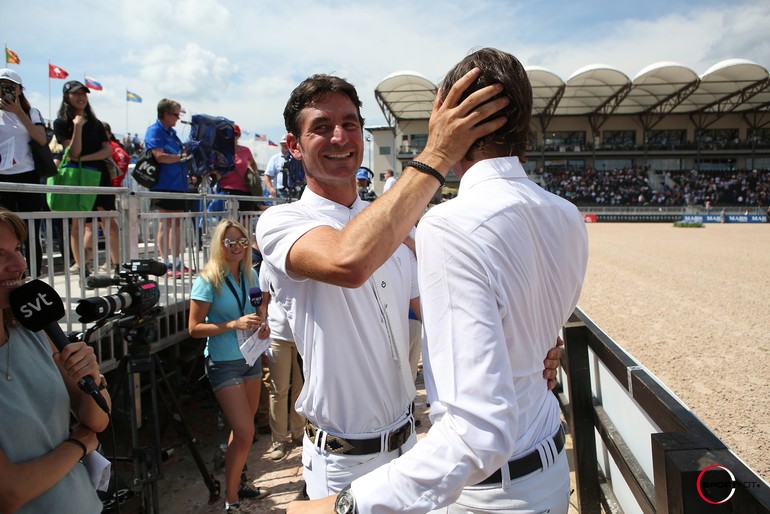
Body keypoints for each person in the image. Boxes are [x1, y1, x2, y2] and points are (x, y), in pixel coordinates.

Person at [290, 47, 589, 514]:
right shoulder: (282, 221)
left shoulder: (418, 222)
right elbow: (349, 259)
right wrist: (437, 152)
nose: (339, 135)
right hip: (356, 458)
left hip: (432, 459)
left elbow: (448, 315)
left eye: (350, 123)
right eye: (321, 127)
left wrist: (527, 349)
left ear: (447, 115)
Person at [0, 208, 112, 513]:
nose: (20, 264)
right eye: (0, 255)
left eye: (18, 250)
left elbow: (98, 420)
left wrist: (93, 376)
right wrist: (79, 445)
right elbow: (9, 492)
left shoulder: (33, 329)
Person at [188, 219, 271, 513]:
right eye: (229, 242)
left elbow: (259, 309)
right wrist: (232, 324)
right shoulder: (207, 279)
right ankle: (231, 499)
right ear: (219, 245)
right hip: (224, 364)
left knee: (243, 431)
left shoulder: (251, 275)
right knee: (246, 431)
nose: (236, 247)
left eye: (241, 241)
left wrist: (263, 325)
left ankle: (238, 485)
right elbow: (194, 329)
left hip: (250, 359)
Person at [53, 80, 120, 276]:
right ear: (67, 97)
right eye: (76, 94)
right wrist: (77, 128)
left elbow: (106, 151)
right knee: (78, 224)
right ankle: (82, 267)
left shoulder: (97, 123)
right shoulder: (60, 123)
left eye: (84, 94)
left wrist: (82, 159)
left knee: (109, 222)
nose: (81, 97)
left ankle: (117, 266)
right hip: (78, 178)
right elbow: (73, 150)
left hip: (99, 176)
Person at [0, 69, 48, 276]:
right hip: (3, 177)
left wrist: (18, 111)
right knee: (6, 230)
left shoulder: (31, 112)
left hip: (28, 175)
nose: (6, 89)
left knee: (31, 230)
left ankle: (34, 277)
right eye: (2, 85)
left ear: (20, 90)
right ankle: (10, 275)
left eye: (11, 86)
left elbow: (41, 138)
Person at [259, 265, 304, 461]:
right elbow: (263, 300)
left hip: (302, 334)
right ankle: (278, 439)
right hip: (277, 334)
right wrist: (262, 324)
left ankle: (299, 431)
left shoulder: (301, 256)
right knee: (279, 389)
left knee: (301, 388)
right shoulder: (266, 264)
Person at [144, 98, 190, 278]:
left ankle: (176, 261)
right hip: (163, 184)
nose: (178, 118)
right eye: (175, 114)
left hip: (177, 184)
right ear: (165, 114)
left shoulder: (172, 133)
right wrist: (182, 157)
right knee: (165, 223)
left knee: (176, 224)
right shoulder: (154, 130)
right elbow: (159, 156)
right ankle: (165, 262)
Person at [214, 124, 259, 212]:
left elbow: (253, 163)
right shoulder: (222, 151)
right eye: (231, 134)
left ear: (239, 136)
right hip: (227, 190)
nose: (233, 136)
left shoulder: (245, 150)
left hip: (245, 190)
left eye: (236, 134)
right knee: (228, 222)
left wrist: (256, 174)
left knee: (246, 221)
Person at [102, 122, 130, 187]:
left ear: (109, 134)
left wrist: (116, 183)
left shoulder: (112, 146)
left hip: (108, 187)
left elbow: (124, 158)